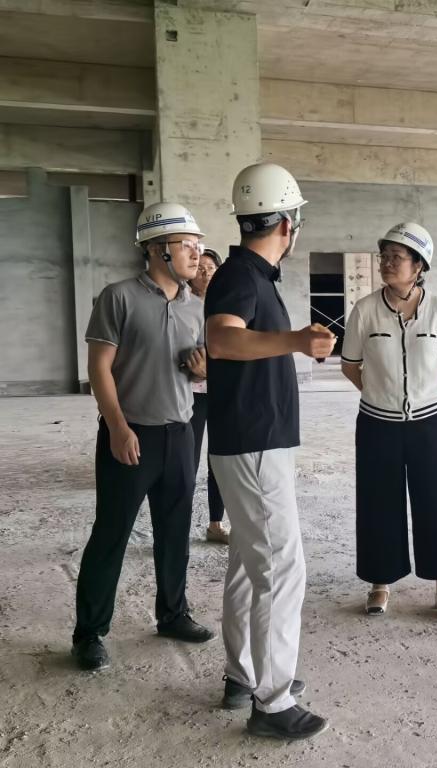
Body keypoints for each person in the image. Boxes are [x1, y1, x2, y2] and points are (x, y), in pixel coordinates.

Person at [205, 162, 334, 739]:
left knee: (248, 565)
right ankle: (273, 702)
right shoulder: (240, 276)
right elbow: (221, 339)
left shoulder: (253, 276)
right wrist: (296, 340)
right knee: (282, 570)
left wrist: (291, 341)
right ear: (287, 223)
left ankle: (245, 675)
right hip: (255, 445)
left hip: (251, 441)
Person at [72, 202, 216, 672]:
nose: (196, 254)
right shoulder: (118, 297)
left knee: (175, 531)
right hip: (131, 435)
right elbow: (99, 368)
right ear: (156, 249)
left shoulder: (197, 307)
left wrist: (203, 369)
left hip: (181, 433)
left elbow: (203, 369)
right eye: (186, 245)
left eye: (198, 245)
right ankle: (89, 633)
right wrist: (117, 427)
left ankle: (173, 614)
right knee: (111, 533)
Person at [341, 222, 437, 621]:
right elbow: (350, 365)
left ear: (419, 265)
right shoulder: (364, 310)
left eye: (397, 257)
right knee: (378, 502)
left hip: (431, 423)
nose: (387, 263)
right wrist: (380, 393)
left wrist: (424, 396)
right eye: (384, 257)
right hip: (377, 423)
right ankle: (380, 584)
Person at [187, 246, 228, 544]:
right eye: (200, 268)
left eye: (211, 268)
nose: (206, 273)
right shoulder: (181, 304)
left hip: (222, 392)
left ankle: (216, 523)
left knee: (220, 460)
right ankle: (178, 525)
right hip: (190, 393)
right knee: (186, 461)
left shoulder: (227, 306)